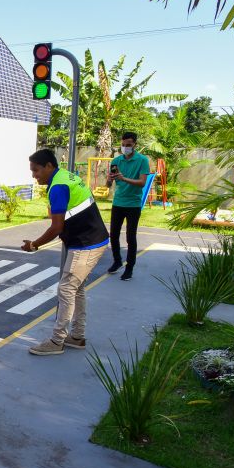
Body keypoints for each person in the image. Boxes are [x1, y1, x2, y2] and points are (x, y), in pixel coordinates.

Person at [20, 149, 109, 356]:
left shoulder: (59, 186)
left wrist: (34, 244)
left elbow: (56, 227)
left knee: (67, 289)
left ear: (49, 166)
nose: (34, 175)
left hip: (86, 244)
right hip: (91, 240)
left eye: (36, 170)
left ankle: (57, 341)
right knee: (76, 289)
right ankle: (77, 336)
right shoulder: (65, 177)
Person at [106, 132, 151, 281]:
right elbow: (108, 184)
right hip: (118, 202)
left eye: (129, 145)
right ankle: (117, 260)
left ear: (135, 145)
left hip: (133, 203)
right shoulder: (116, 160)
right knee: (113, 234)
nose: (125, 147)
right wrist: (109, 179)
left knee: (130, 237)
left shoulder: (142, 160)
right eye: (123, 145)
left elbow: (142, 182)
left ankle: (129, 268)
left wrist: (123, 178)